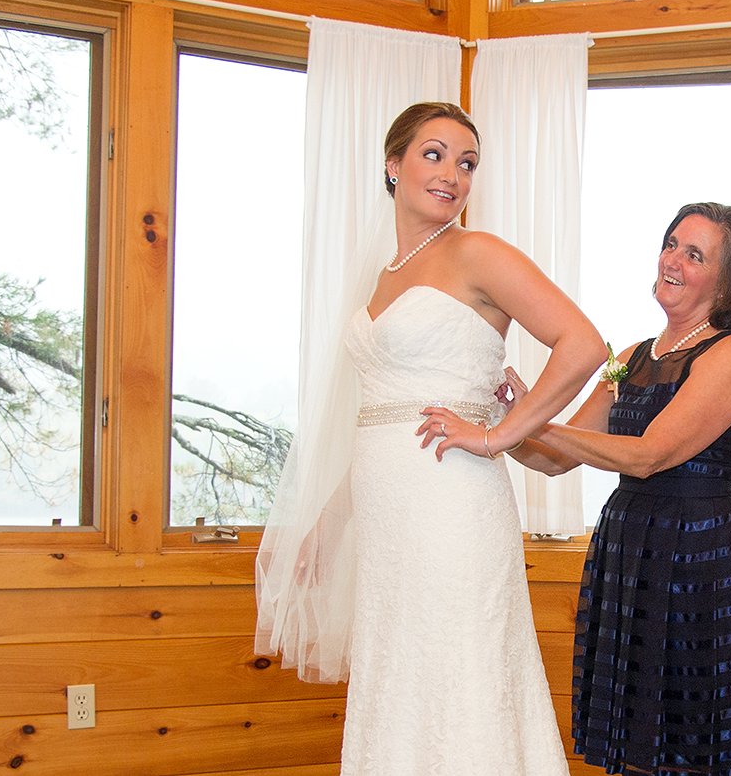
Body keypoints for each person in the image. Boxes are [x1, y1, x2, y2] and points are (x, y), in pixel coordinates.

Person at [255, 101, 605, 775]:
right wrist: (328, 521)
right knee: (399, 668)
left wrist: (497, 435)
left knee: (462, 665)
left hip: (454, 505)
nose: (452, 174)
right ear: (394, 166)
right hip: (388, 517)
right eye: (435, 154)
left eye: (466, 163)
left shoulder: (477, 252)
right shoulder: (383, 276)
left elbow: (584, 344)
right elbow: (377, 416)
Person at [424, 202, 731, 775]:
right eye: (671, 244)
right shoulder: (630, 359)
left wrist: (516, 428)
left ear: (730, 279)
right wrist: (519, 421)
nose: (672, 259)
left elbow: (648, 455)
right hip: (630, 547)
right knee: (639, 725)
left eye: (694, 254)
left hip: (700, 551)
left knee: (696, 729)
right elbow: (550, 460)